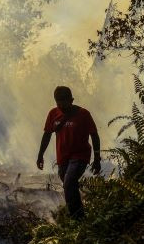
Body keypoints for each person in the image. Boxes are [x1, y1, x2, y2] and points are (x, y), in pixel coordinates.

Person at [36, 86, 101, 219]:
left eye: (63, 103)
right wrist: (40, 155)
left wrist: (97, 158)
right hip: (63, 159)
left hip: (80, 156)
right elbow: (47, 134)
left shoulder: (83, 114)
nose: (61, 106)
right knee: (69, 186)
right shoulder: (53, 114)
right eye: (58, 103)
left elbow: (94, 135)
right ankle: (81, 216)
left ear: (71, 100)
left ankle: (76, 219)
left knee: (69, 182)